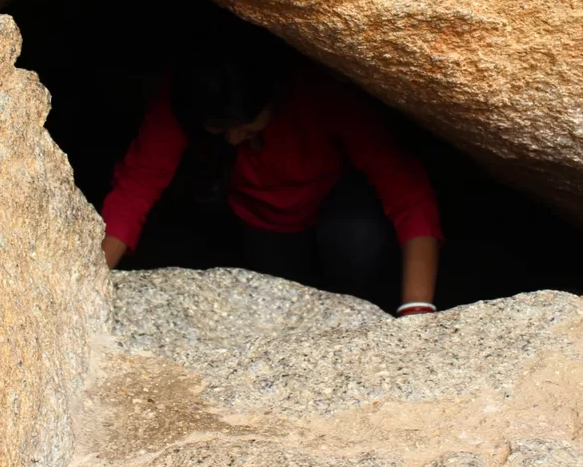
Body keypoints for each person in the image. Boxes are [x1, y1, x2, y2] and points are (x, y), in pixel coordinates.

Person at [99, 33, 441, 316]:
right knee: (283, 309)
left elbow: (405, 191)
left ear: (276, 93)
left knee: (356, 239)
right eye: (219, 130)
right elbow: (136, 188)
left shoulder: (321, 91)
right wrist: (87, 283)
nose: (234, 139)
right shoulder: (183, 97)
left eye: (247, 128)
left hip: (339, 212)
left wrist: (416, 310)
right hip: (262, 222)